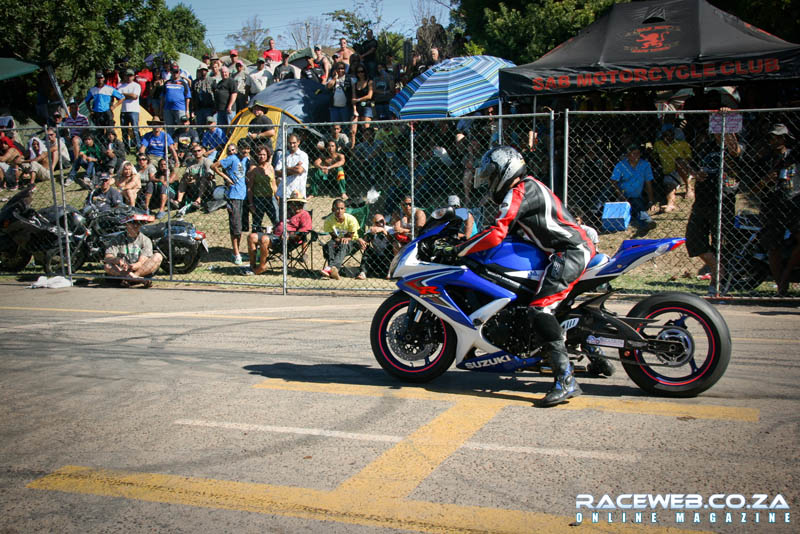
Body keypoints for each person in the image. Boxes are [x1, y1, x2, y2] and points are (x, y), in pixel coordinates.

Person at [446, 146, 596, 407]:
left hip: (570, 252)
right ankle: (596, 354)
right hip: (562, 251)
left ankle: (566, 379)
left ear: (506, 170)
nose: (490, 180)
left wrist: (459, 249)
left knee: (540, 310)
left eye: (492, 174)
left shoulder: (520, 191)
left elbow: (496, 233)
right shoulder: (526, 189)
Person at [685, 129, 741, 296]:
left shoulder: (736, 146)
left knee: (721, 243)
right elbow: (693, 165)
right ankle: (719, 272)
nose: (720, 133)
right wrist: (696, 174)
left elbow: (735, 151)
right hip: (702, 200)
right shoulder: (706, 146)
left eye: (725, 130)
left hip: (722, 200)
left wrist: (729, 125)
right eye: (718, 129)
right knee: (693, 239)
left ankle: (718, 281)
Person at [755, 123, 800, 296]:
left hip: (795, 203)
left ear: (786, 138)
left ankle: (786, 275)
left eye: (778, 137)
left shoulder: (795, 156)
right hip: (771, 204)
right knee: (773, 246)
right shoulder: (765, 160)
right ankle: (780, 285)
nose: (775, 140)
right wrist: (766, 180)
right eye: (772, 137)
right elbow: (753, 189)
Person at [246, 190, 312, 276]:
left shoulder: (304, 214)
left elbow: (305, 231)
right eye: (295, 203)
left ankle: (262, 267)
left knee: (264, 239)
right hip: (275, 236)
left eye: (300, 204)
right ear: (291, 204)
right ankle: (252, 265)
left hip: (288, 240)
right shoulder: (287, 212)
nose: (298, 206)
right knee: (251, 237)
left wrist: (290, 235)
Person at [103, 213, 162, 288]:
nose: (135, 226)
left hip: (139, 269)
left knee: (158, 256)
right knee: (107, 265)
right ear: (126, 224)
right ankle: (137, 279)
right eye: (132, 223)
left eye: (138, 223)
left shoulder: (145, 240)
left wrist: (132, 266)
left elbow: (141, 262)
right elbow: (107, 257)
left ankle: (130, 279)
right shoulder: (117, 239)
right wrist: (118, 260)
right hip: (121, 270)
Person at [609, 144, 657, 235]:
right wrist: (620, 194)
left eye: (638, 154)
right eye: (633, 154)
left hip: (635, 195)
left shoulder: (645, 165)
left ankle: (646, 222)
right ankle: (646, 221)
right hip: (621, 193)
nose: (636, 156)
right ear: (628, 155)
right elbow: (613, 182)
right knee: (636, 206)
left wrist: (651, 201)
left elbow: (648, 183)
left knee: (636, 204)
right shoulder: (621, 165)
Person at [212, 143, 247, 264]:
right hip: (234, 196)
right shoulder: (231, 159)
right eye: (229, 150)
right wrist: (226, 178)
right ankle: (236, 253)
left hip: (243, 196)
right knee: (235, 227)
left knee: (240, 227)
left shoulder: (243, 159)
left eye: (233, 150)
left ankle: (238, 252)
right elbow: (214, 166)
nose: (231, 152)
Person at [653, 124, 693, 212]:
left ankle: (688, 187)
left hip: (682, 169)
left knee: (679, 162)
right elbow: (654, 156)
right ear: (662, 136)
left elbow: (689, 158)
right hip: (669, 172)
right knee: (669, 186)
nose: (669, 137)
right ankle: (670, 204)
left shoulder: (682, 144)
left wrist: (684, 165)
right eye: (666, 135)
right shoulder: (658, 144)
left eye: (671, 135)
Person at [321, 198, 364, 280]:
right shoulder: (328, 220)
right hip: (337, 241)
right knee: (330, 243)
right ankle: (333, 271)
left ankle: (331, 268)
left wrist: (343, 239)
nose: (339, 211)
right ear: (333, 209)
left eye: (342, 208)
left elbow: (350, 237)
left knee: (344, 243)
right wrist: (339, 240)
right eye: (337, 208)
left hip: (353, 242)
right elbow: (334, 237)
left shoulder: (351, 219)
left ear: (345, 209)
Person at [274, 133, 309, 219]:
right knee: (283, 219)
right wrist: (294, 168)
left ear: (298, 142)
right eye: (290, 143)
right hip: (285, 192)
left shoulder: (303, 155)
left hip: (298, 193)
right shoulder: (283, 155)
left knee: (298, 218)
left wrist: (285, 170)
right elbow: (277, 172)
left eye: (294, 142)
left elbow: (299, 170)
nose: (292, 145)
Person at [247, 144, 278, 232]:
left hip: (270, 198)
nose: (262, 157)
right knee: (257, 224)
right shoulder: (254, 170)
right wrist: (251, 204)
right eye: (260, 154)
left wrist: (277, 199)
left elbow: (274, 185)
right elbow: (250, 188)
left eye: (264, 154)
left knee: (276, 221)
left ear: (267, 155)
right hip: (258, 199)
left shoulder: (271, 167)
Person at [356, 212, 394, 280]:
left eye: (382, 221)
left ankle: (390, 272)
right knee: (367, 249)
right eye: (377, 222)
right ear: (374, 223)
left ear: (385, 221)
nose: (380, 223)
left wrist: (383, 231)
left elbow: (392, 241)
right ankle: (363, 272)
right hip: (376, 258)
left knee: (390, 248)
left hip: (387, 258)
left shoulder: (390, 229)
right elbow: (365, 242)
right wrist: (369, 235)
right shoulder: (372, 230)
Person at [176, 144, 214, 208]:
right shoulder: (191, 163)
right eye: (194, 151)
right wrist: (188, 178)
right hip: (195, 185)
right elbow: (186, 174)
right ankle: (178, 201)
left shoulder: (207, 161)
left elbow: (210, 176)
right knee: (183, 179)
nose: (197, 153)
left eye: (199, 151)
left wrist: (196, 178)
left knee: (203, 179)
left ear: (202, 151)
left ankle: (198, 201)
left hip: (208, 185)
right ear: (192, 153)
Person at [161, 63, 192, 132]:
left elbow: (187, 98)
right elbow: (162, 97)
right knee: (169, 128)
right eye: (173, 71)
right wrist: (161, 109)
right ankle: (171, 142)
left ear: (179, 72)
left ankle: (181, 141)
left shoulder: (183, 83)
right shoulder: (167, 83)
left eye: (176, 72)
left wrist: (187, 110)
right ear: (171, 72)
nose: (175, 73)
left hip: (180, 108)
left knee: (182, 127)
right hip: (167, 109)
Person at [117, 68, 142, 150]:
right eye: (127, 75)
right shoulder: (120, 86)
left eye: (130, 75)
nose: (129, 77)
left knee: (135, 130)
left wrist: (124, 95)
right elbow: (118, 97)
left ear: (134, 76)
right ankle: (125, 148)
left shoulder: (136, 85)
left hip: (134, 110)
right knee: (124, 131)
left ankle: (138, 147)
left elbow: (135, 96)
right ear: (124, 76)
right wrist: (129, 95)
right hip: (123, 110)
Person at [351, 65, 374, 146]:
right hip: (357, 107)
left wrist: (358, 100)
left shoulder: (369, 82)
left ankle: (367, 147)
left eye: (362, 71)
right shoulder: (355, 84)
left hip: (367, 107)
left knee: (366, 129)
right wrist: (354, 109)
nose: (360, 73)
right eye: (358, 72)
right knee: (353, 131)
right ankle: (352, 148)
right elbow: (353, 97)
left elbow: (369, 96)